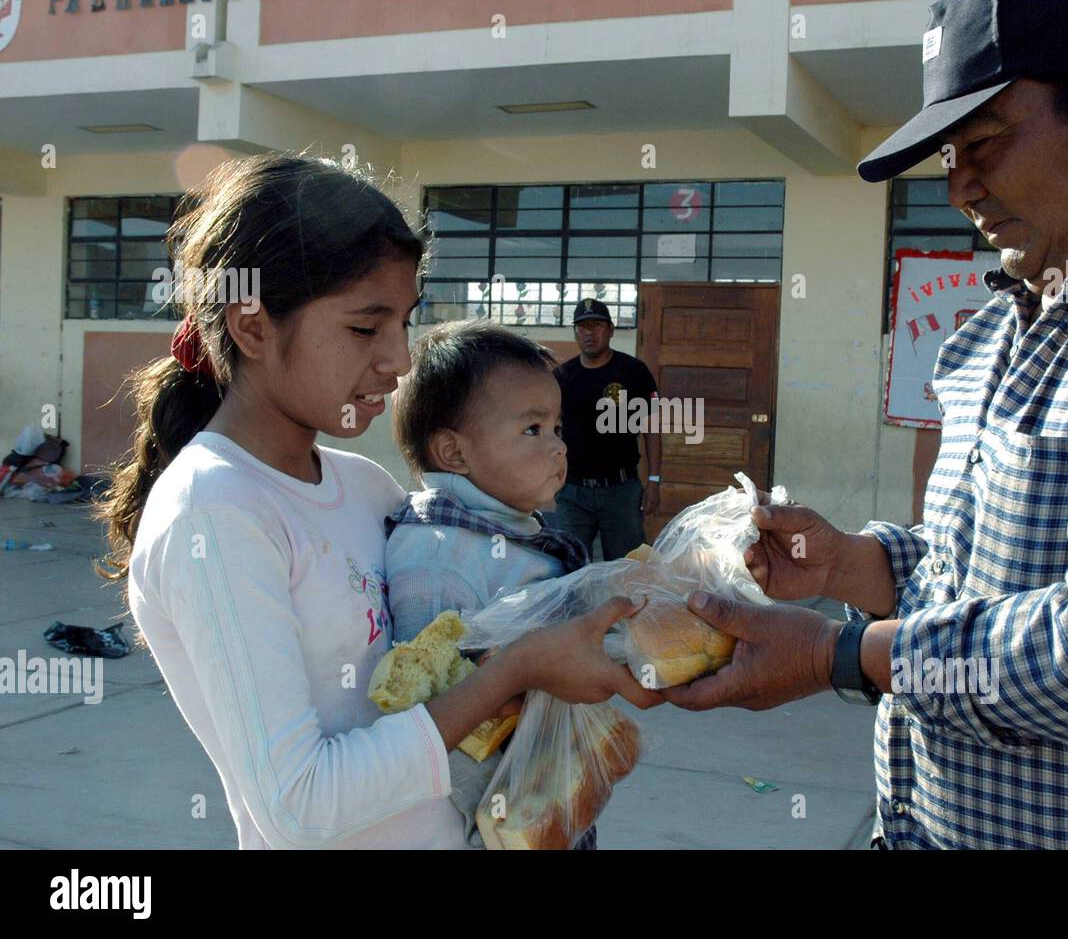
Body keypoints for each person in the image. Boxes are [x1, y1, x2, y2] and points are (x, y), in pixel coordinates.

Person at [662, 0, 1068, 849]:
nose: (959, 183)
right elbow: (975, 576)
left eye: (987, 140)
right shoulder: (993, 330)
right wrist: (850, 563)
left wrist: (836, 655)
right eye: (948, 153)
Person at [95, 154, 658, 850]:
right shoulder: (214, 510)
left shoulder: (366, 486)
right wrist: (517, 669)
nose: (398, 359)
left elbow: (454, 663)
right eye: (366, 327)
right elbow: (299, 808)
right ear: (252, 326)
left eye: (404, 322)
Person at [385, 320, 598, 847]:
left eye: (557, 429)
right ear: (454, 453)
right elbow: (434, 716)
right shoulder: (438, 557)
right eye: (532, 430)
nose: (557, 449)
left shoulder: (517, 533)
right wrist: (505, 828)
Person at [552, 298, 662, 559]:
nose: (589, 333)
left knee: (627, 568)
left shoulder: (634, 372)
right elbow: (550, 430)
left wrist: (654, 481)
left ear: (611, 329)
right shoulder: (562, 377)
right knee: (569, 567)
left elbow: (652, 428)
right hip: (572, 492)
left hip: (621, 491)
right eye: (582, 327)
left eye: (597, 325)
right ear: (575, 332)